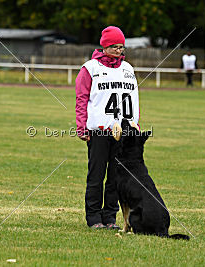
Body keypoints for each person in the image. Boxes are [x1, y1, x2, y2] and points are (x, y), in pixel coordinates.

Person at [75, 26, 140, 230]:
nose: (119, 51)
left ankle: (110, 216)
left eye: (121, 47)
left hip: (122, 131)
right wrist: (81, 126)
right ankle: (93, 217)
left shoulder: (128, 69)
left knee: (115, 176)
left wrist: (136, 124)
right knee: (96, 175)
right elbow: (81, 98)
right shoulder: (90, 68)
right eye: (114, 47)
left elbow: (133, 99)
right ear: (105, 47)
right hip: (99, 131)